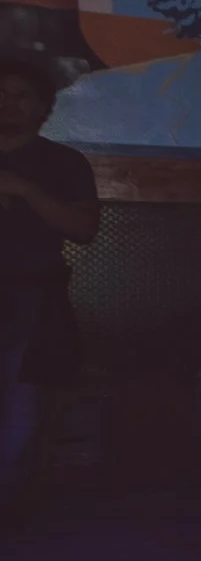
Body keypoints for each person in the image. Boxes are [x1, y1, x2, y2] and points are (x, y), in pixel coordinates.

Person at [0, 52, 99, 516]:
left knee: (21, 413)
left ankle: (8, 510)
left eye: (19, 96)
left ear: (43, 107)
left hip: (30, 296)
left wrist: (23, 189)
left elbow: (84, 229)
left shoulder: (63, 162)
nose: (7, 103)